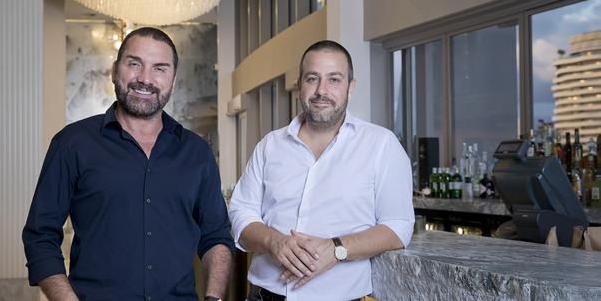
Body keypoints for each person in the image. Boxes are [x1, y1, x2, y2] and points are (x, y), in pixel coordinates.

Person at [23, 27, 233, 301]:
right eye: (134, 64)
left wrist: (214, 298)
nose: (145, 79)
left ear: (173, 80)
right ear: (114, 70)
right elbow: (40, 237)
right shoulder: (71, 144)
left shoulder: (197, 153)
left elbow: (216, 236)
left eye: (159, 68)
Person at [228, 40, 415, 301]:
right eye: (312, 78)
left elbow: (398, 226)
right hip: (263, 295)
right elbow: (240, 213)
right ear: (299, 85)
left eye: (334, 80)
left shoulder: (381, 145)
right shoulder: (269, 146)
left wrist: (337, 249)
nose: (321, 90)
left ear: (351, 87)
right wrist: (274, 242)